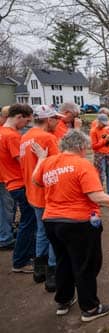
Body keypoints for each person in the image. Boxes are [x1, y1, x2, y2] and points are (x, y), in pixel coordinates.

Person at [32, 130, 109, 322]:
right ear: (80, 146)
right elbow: (95, 195)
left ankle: (63, 300)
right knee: (85, 265)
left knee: (63, 261)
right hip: (79, 222)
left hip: (52, 222)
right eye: (85, 148)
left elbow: (35, 181)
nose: (86, 152)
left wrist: (40, 159)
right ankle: (90, 308)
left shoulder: (49, 163)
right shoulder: (82, 164)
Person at [19, 105, 63, 291]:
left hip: (32, 192)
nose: (59, 122)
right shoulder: (47, 138)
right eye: (56, 119)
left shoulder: (25, 137)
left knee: (41, 232)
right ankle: (53, 273)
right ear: (48, 120)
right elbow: (58, 166)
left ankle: (39, 270)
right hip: (48, 194)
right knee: (54, 234)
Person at [0, 104, 37, 273]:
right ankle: (20, 261)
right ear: (19, 117)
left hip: (10, 181)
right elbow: (21, 161)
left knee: (27, 220)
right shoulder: (12, 136)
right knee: (27, 222)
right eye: (26, 121)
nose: (26, 125)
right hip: (19, 182)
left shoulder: (1, 132)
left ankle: (27, 254)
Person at [90, 114, 109, 196]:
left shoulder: (108, 128)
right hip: (100, 156)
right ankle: (99, 195)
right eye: (102, 123)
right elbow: (93, 146)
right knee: (100, 176)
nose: (104, 125)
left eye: (105, 123)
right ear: (98, 122)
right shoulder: (93, 131)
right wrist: (104, 141)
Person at [0, 105, 16, 251]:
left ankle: (5, 233)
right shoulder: (7, 134)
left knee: (4, 209)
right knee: (6, 209)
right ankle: (5, 237)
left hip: (3, 175)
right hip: (5, 176)